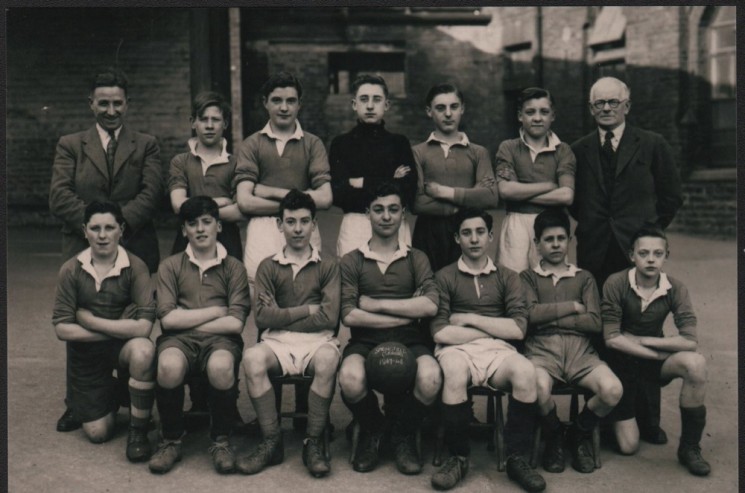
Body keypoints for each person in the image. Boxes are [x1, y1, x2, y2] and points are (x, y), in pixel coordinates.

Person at [49, 66, 163, 433]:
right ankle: (77, 402)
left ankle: (128, 389)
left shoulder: (146, 144)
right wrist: (96, 229)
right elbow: (59, 194)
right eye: (103, 103)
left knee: (132, 316)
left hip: (134, 245)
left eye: (117, 103)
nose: (111, 110)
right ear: (91, 104)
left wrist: (115, 229)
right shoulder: (70, 144)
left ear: (127, 104)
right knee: (79, 313)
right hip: (84, 243)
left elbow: (151, 193)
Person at [570, 76, 683, 444]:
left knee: (644, 333)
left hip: (636, 255)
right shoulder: (580, 149)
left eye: (613, 103)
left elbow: (671, 196)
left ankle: (648, 419)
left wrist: (646, 237)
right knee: (603, 333)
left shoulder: (652, 144)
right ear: (591, 109)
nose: (606, 108)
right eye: (599, 103)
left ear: (627, 106)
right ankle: (604, 417)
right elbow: (574, 201)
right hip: (596, 252)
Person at [429, 208, 545, 493]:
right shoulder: (444, 276)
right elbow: (441, 330)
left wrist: (470, 319)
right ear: (457, 238)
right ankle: (459, 456)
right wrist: (495, 326)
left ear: (491, 236)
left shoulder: (508, 276)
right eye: (466, 233)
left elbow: (518, 329)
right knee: (454, 371)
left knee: (526, 371)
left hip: (497, 350)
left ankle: (517, 457)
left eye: (480, 232)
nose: (474, 239)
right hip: (456, 348)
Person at [339, 182, 442, 475]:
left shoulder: (417, 258)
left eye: (393, 210)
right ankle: (375, 428)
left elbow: (430, 306)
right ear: (367, 213)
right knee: (349, 377)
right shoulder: (352, 260)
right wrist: (407, 311)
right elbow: (349, 315)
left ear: (403, 214)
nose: (386, 216)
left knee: (431, 377)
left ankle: (403, 433)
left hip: (411, 340)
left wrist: (374, 304)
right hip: (365, 341)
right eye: (379, 209)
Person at [236, 190, 341, 478]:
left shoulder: (328, 266)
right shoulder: (268, 266)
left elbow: (330, 318)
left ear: (314, 225)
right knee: (253, 359)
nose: (297, 229)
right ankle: (271, 440)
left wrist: (281, 314)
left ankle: (313, 441)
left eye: (304, 221)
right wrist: (308, 310)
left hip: (318, 342)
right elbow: (262, 317)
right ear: (280, 225)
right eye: (291, 221)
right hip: (276, 342)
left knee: (328, 361)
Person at [148, 196, 250, 475]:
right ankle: (170, 439)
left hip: (221, 341)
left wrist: (187, 319)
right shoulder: (170, 266)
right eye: (193, 224)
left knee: (220, 366)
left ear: (218, 226)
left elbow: (235, 324)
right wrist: (216, 310)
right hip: (177, 341)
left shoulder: (234, 268)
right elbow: (167, 319)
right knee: (168, 365)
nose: (201, 229)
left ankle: (220, 440)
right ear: (184, 231)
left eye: (207, 222)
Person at [52, 200, 156, 462]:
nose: (102, 235)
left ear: (121, 229)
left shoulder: (136, 266)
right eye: (95, 228)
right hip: (86, 356)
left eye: (109, 227)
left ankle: (137, 430)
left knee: (143, 350)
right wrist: (119, 328)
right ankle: (114, 392)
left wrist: (90, 321)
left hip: (121, 349)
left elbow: (143, 327)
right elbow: (63, 329)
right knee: (98, 433)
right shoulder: (71, 270)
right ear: (84, 230)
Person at [602, 226, 710, 477]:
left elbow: (690, 341)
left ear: (666, 256)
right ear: (632, 256)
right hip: (621, 364)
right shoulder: (616, 283)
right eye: (644, 253)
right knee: (628, 447)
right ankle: (613, 421)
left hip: (648, 356)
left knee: (696, 364)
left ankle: (690, 448)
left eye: (658, 253)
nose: (651, 259)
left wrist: (643, 340)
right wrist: (657, 354)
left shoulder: (675, 287)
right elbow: (612, 339)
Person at [520, 209, 622, 474]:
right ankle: (554, 434)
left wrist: (549, 317)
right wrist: (573, 307)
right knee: (538, 388)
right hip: (542, 351)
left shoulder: (584, 277)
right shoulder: (527, 278)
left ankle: (578, 432)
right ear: (537, 244)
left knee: (612, 390)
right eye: (548, 239)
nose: (555, 244)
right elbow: (530, 316)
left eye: (561, 238)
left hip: (581, 354)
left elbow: (594, 322)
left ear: (569, 241)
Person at [235, 71, 332, 288]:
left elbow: (325, 198)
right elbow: (245, 201)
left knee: (305, 291)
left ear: (300, 104)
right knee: (265, 297)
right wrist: (300, 202)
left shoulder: (313, 143)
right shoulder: (252, 144)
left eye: (291, 101)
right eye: (277, 101)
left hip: (302, 228)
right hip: (263, 230)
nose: (284, 108)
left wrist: (270, 191)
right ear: (265, 103)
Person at [412, 84, 498, 272]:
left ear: (462, 109)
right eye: (440, 108)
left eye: (454, 107)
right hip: (429, 234)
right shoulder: (417, 153)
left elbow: (490, 197)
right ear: (429, 111)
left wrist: (444, 192)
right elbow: (418, 202)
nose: (448, 114)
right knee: (430, 288)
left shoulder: (478, 152)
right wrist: (470, 198)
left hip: (466, 232)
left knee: (464, 288)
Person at [329, 74, 417, 256]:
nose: (370, 105)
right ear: (355, 104)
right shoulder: (341, 144)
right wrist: (390, 180)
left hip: (393, 223)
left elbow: (407, 190)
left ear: (386, 105)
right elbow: (338, 193)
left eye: (376, 99)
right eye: (364, 99)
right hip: (355, 225)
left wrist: (359, 182)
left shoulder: (398, 143)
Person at [494, 87, 575, 273]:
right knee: (512, 280)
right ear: (520, 116)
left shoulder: (563, 150)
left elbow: (566, 195)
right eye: (530, 112)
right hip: (516, 225)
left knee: (550, 279)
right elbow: (505, 190)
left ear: (552, 116)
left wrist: (519, 193)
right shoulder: (508, 148)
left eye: (544, 112)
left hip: (552, 224)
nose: (537, 118)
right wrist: (547, 185)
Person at [169, 90, 247, 260]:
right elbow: (178, 205)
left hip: (227, 240)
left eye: (216, 120)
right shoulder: (180, 162)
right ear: (193, 123)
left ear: (225, 124)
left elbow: (240, 211)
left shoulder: (236, 163)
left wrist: (194, 209)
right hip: (187, 241)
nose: (209, 126)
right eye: (203, 119)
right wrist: (219, 202)